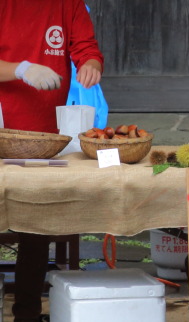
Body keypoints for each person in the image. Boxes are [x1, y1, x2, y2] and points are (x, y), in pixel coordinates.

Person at [0, 1, 104, 321]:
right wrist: (21, 69)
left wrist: (90, 64)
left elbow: (87, 47)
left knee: (38, 219)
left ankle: (27, 312)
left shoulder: (68, 4)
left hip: (46, 138)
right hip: (2, 128)